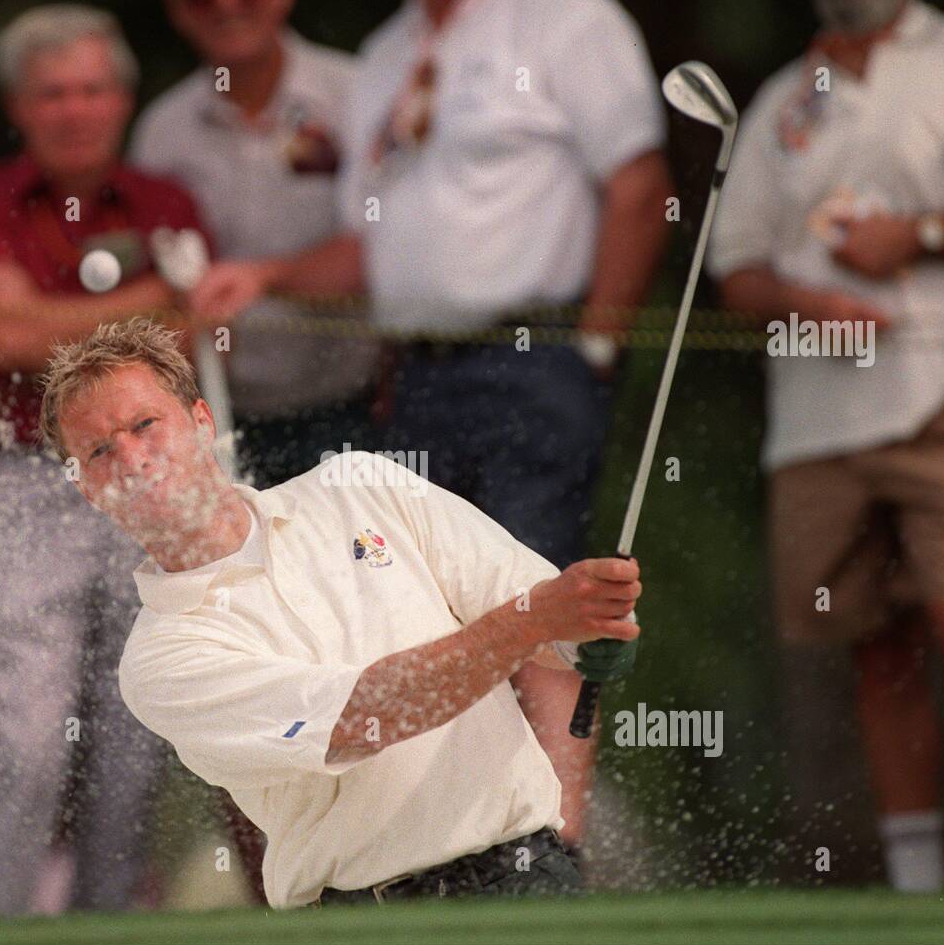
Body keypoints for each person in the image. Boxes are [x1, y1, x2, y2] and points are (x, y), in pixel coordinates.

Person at [184, 0, 674, 857]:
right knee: (422, 611)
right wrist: (267, 274)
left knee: (538, 595)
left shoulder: (567, 20)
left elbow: (640, 186)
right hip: (416, 374)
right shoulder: (386, 54)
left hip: (535, 353)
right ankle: (460, 852)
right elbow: (372, 250)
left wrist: (594, 348)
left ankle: (558, 844)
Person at [38, 318, 642, 908]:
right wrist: (538, 622)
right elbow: (365, 717)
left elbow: (544, 618)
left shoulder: (361, 482)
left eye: (146, 425)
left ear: (201, 422)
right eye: (98, 452)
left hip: (530, 879)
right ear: (85, 488)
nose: (132, 459)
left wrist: (589, 632)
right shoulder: (159, 662)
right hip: (362, 919)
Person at [708, 0, 944, 889]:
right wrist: (813, 308)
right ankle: (916, 881)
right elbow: (738, 270)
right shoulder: (781, 99)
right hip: (818, 420)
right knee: (873, 642)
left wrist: (917, 236)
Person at [0, 4, 208, 916]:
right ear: (18, 106)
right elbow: (2, 341)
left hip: (144, 489)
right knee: (25, 741)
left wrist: (42, 319)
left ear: (124, 98)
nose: (75, 108)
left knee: (135, 740)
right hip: (22, 479)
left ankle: (107, 931)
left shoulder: (169, 199)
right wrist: (146, 299)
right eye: (53, 92)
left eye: (94, 88)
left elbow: (178, 338)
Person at [129, 0, 382, 489]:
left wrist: (265, 276)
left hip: (359, 405)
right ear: (177, 11)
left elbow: (387, 250)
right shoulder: (162, 132)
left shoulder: (359, 93)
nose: (225, 5)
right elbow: (161, 285)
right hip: (219, 419)